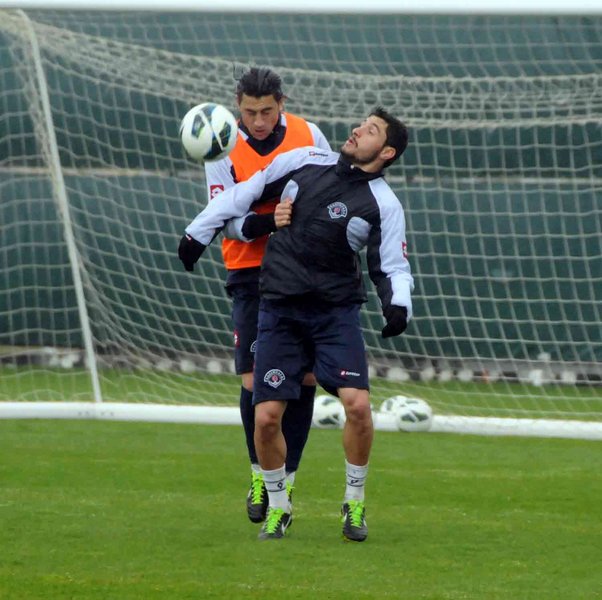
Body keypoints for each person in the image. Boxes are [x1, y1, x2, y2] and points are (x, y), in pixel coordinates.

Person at [179, 107, 413, 542]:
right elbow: (242, 194)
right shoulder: (304, 160)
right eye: (361, 123)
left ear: (386, 152)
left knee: (358, 407)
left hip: (334, 314)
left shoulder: (383, 202)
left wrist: (398, 305)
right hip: (279, 310)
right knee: (267, 417)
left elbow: (392, 266)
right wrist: (198, 232)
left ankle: (354, 502)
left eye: (371, 130)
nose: (357, 130)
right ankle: (278, 507)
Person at [200, 67, 332, 524]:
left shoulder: (309, 134)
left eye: (267, 111)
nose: (258, 121)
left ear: (282, 104)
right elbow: (222, 218)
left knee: (306, 378)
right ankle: (260, 474)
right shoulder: (220, 145)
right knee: (256, 381)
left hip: (303, 269)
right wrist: (268, 221)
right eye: (250, 112)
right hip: (249, 270)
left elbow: (328, 189)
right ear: (237, 106)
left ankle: (286, 481)